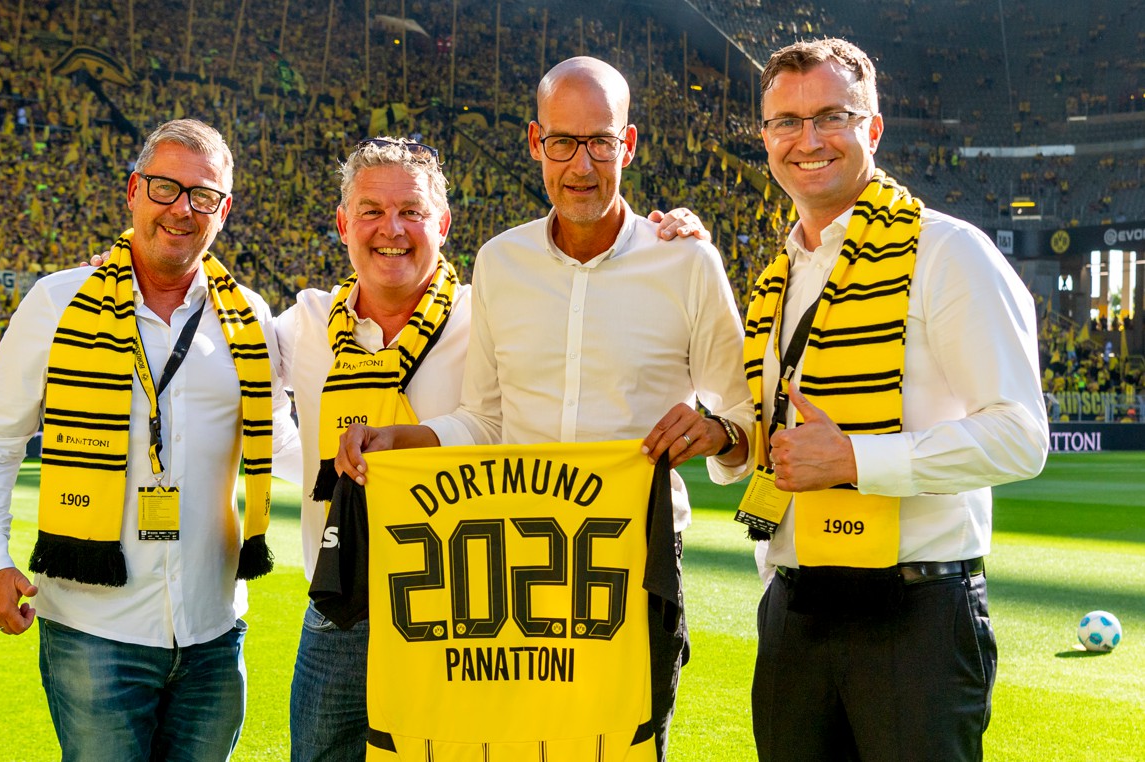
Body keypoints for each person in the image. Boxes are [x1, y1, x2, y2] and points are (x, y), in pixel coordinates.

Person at [336, 57, 754, 759]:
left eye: (600, 142)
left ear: (628, 144)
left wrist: (712, 432)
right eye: (563, 142)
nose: (581, 165)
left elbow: (742, 422)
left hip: (636, 561)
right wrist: (402, 439)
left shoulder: (686, 263)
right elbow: (486, 421)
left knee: (622, 749)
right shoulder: (501, 263)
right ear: (536, 142)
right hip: (516, 561)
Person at [740, 38, 1048, 761]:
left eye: (831, 117)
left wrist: (856, 460)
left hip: (914, 616)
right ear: (765, 137)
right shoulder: (778, 277)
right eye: (786, 122)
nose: (807, 140)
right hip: (795, 611)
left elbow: (1020, 436)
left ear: (872, 128)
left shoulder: (948, 252)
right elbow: (772, 435)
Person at [0, 118, 288, 761]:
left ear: (223, 211)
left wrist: (369, 455)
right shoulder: (58, 302)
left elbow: (280, 437)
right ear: (134, 190)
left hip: (213, 628)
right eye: (166, 187)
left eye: (203, 195)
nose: (182, 209)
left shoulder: (249, 315)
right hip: (93, 627)